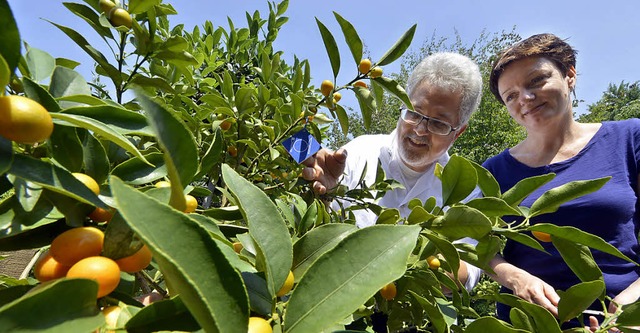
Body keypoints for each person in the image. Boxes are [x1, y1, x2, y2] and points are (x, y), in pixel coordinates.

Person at [483, 33, 640, 329]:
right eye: (511, 96)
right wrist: (513, 276)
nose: (525, 99)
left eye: (535, 81)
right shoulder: (494, 170)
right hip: (530, 323)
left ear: (569, 75)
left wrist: (628, 305)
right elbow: (477, 242)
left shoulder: (628, 139)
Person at [302, 52, 484, 291]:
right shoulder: (359, 151)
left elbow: (467, 271)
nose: (419, 130)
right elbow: (319, 235)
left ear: (458, 132)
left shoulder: (464, 188)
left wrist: (401, 263)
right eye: (414, 113)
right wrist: (325, 195)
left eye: (438, 123)